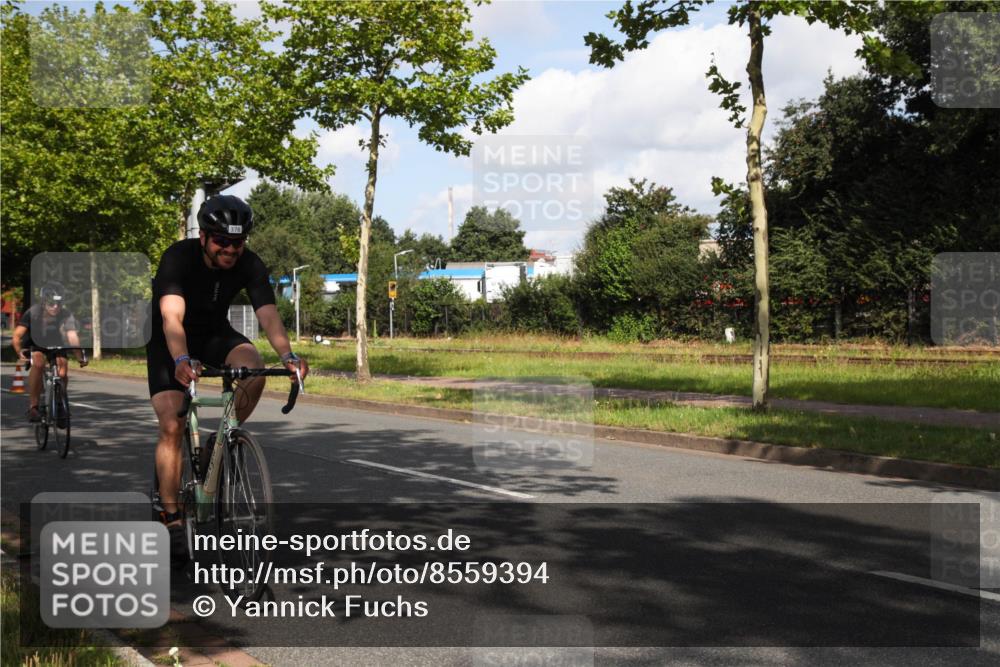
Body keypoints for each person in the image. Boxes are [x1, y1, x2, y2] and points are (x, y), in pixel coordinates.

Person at [147, 194, 308, 555]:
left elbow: (267, 314)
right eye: (222, 240)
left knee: (254, 366)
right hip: (169, 341)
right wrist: (180, 360)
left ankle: (220, 440)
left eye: (238, 242)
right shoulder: (177, 257)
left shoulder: (250, 264)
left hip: (215, 334)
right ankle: (170, 515)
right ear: (203, 237)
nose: (230, 249)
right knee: (173, 424)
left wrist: (289, 355)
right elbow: (172, 318)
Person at [11, 283, 88, 422]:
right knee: (39, 364)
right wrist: (19, 352)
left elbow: (72, 337)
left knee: (63, 371)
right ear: (43, 302)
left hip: (55, 344)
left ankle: (59, 404)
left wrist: (80, 357)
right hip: (35, 345)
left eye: (59, 303)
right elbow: (17, 336)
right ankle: (33, 407)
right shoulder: (33, 312)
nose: (55, 307)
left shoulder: (66, 314)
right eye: (52, 303)